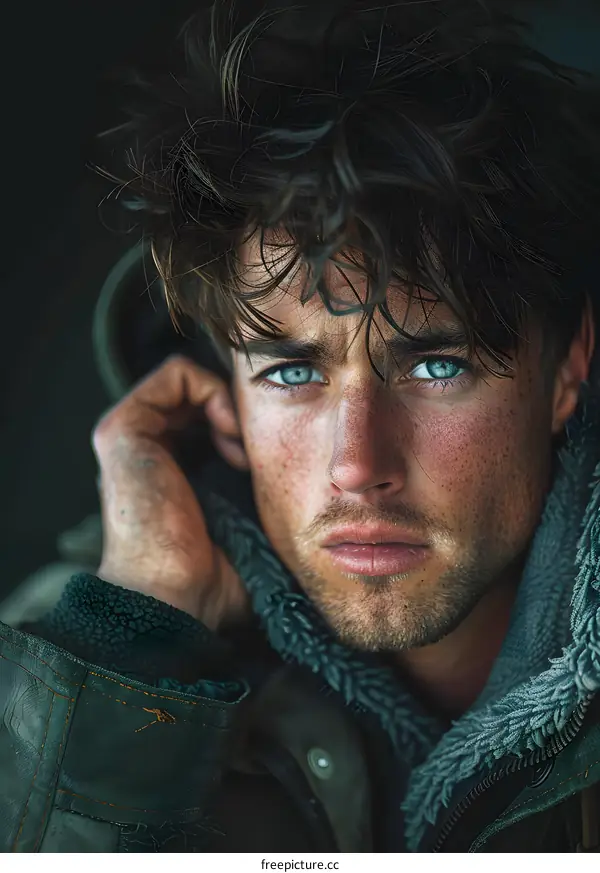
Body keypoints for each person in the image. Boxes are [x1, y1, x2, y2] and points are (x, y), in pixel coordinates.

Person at [2, 0, 600, 853]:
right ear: (223, 391)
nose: (357, 464)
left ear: (570, 365)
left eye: (437, 365)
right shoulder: (68, 665)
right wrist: (139, 639)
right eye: (292, 372)